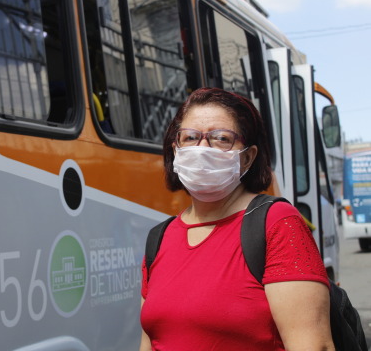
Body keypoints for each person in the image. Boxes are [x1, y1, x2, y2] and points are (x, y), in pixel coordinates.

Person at [139, 88, 334, 350]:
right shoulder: (160, 238)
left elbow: (314, 345)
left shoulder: (276, 222)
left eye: (221, 138)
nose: (202, 148)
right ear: (176, 150)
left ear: (248, 158)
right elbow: (149, 343)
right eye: (190, 137)